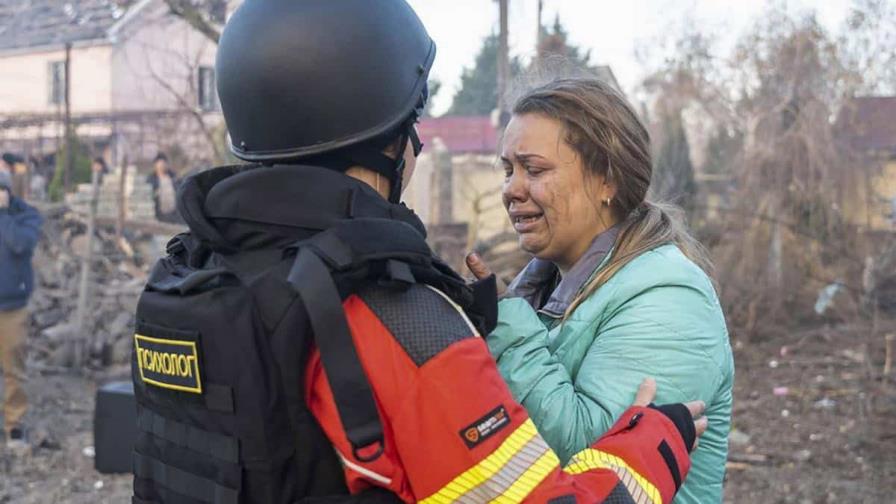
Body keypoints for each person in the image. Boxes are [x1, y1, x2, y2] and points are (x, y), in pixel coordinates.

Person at [131, 2, 706, 503]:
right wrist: (649, 445)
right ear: (390, 141)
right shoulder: (401, 320)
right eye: (413, 123)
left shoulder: (186, 281)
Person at [466, 78, 734, 503]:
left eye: (533, 170)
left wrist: (504, 324)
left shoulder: (669, 297)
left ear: (606, 179)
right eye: (507, 170)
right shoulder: (541, 288)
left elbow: (595, 465)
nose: (511, 190)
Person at [0, 170, 43, 453]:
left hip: (11, 307)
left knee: (14, 369)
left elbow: (20, 244)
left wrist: (3, 214)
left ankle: (14, 426)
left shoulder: (26, 216)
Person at [146, 152, 180, 223]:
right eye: (159, 164)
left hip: (174, 215)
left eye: (164, 163)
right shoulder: (151, 179)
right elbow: (147, 197)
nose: (162, 166)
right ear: (155, 165)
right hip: (158, 215)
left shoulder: (173, 177)